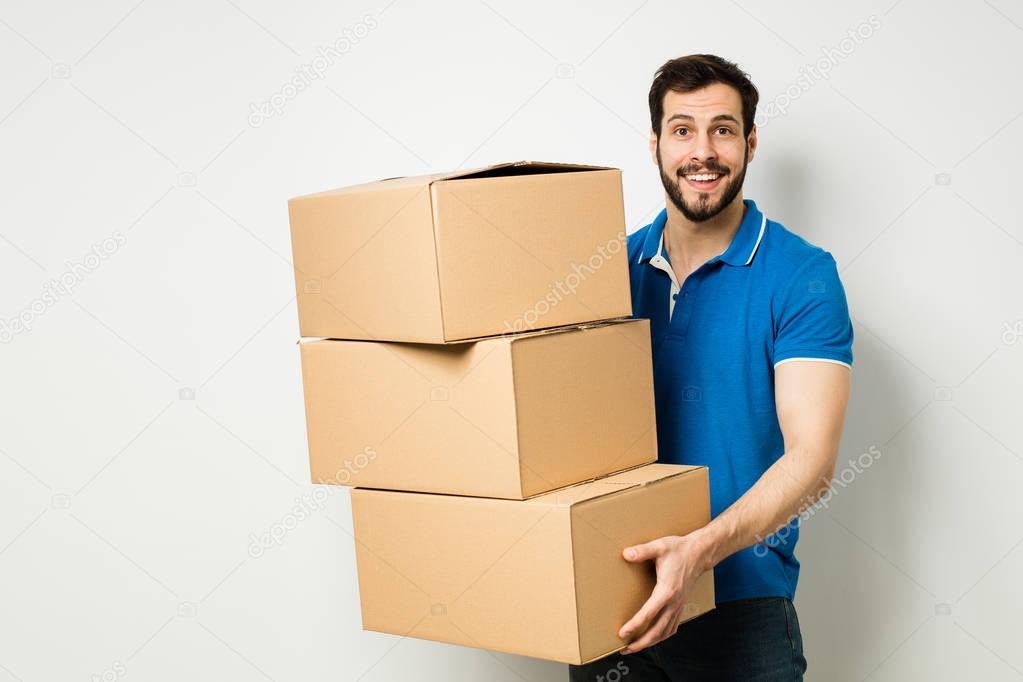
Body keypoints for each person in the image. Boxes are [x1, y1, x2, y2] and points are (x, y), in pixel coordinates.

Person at [569, 54, 854, 681]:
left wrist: (697, 553)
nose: (704, 152)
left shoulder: (802, 276)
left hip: (742, 607)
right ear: (655, 145)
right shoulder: (603, 275)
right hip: (609, 595)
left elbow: (813, 462)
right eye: (683, 130)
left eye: (723, 129)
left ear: (751, 143)